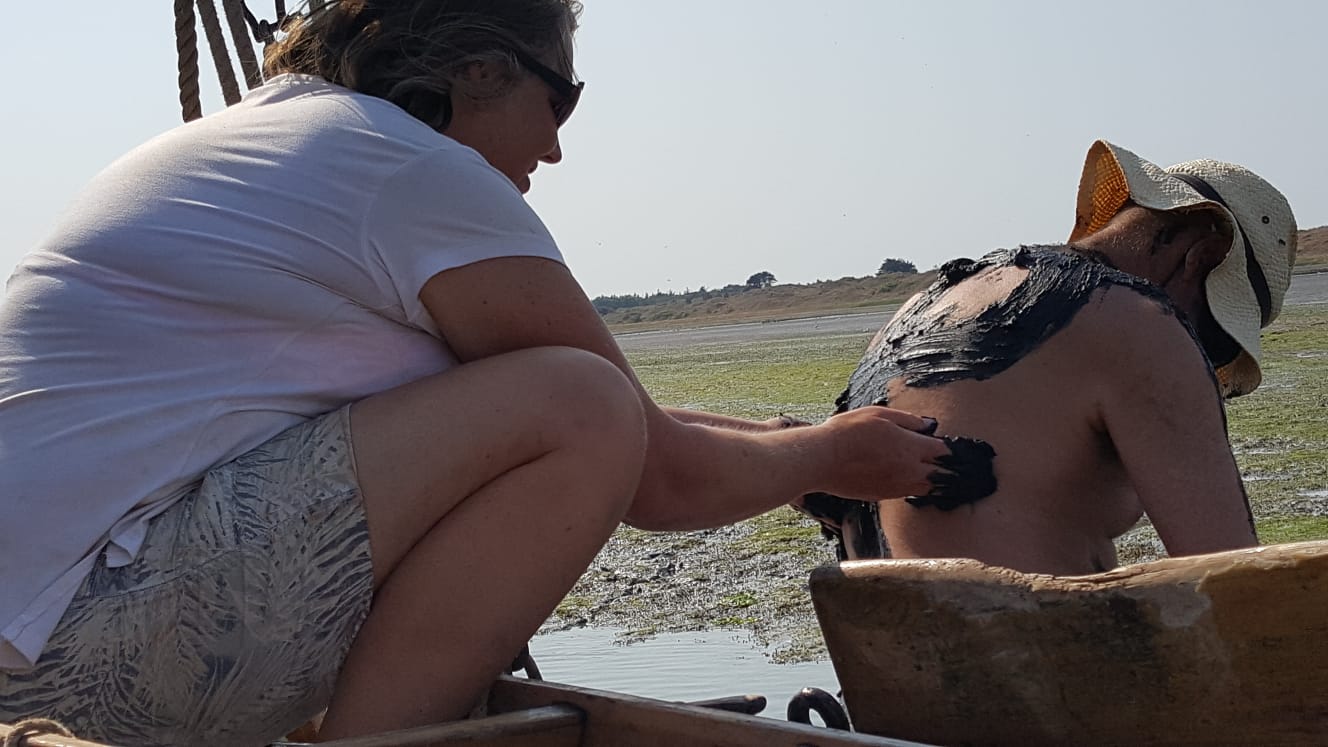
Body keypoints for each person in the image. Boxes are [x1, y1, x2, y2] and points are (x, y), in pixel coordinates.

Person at [0, 2, 982, 744]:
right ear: (477, 69)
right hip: (74, 657)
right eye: (558, 101)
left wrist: (791, 449)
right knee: (577, 400)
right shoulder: (405, 165)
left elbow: (635, 430)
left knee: (580, 402)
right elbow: (640, 461)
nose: (554, 146)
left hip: (48, 635)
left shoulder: (274, 141)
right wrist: (834, 458)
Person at [799, 140, 1297, 575]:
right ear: (1202, 257)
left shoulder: (926, 306)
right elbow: (1232, 577)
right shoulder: (1139, 324)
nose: (1202, 359)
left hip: (891, 673)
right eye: (1214, 340)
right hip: (1042, 668)